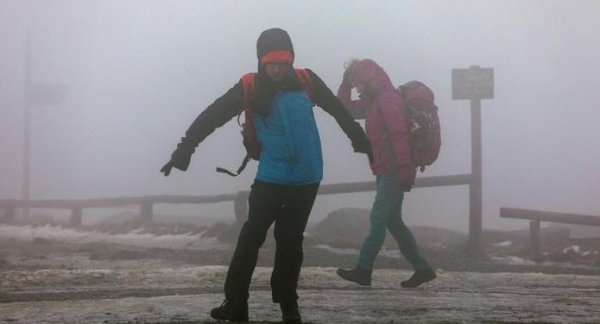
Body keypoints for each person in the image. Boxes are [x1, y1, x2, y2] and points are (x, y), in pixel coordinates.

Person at [160, 28, 371, 324]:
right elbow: (213, 115)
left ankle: (289, 307)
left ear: (291, 60)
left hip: (307, 178)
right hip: (271, 177)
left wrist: (360, 141)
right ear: (261, 61)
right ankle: (236, 305)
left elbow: (338, 110)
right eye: (271, 63)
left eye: (283, 62)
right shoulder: (249, 86)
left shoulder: (306, 80)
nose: (277, 69)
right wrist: (185, 149)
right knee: (250, 238)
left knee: (290, 241)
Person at [335, 58, 436, 288]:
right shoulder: (373, 103)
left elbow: (400, 135)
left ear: (369, 80)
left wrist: (404, 168)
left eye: (358, 82)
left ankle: (363, 269)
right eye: (354, 84)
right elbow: (344, 110)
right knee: (393, 221)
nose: (357, 88)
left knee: (378, 218)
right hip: (386, 169)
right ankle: (422, 269)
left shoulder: (388, 100)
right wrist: (345, 86)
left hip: (394, 169)